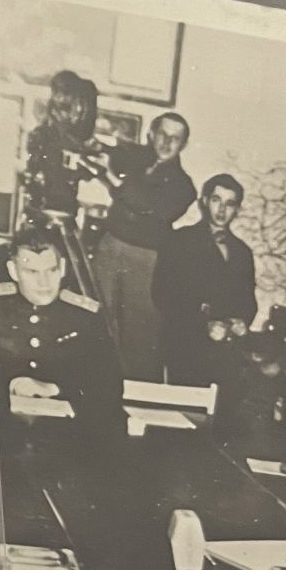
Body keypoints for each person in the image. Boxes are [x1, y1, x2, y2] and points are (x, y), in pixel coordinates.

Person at [0, 227, 125, 441]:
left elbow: (108, 382)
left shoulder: (85, 317)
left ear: (63, 268)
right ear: (13, 271)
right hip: (2, 433)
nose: (44, 282)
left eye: (51, 270)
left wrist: (54, 388)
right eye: (32, 272)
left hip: (63, 435)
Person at [91, 110, 196, 380]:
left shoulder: (184, 187)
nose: (167, 142)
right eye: (163, 134)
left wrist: (113, 178)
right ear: (151, 134)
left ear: (183, 144)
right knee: (96, 321)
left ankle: (138, 396)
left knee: (140, 336)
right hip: (109, 247)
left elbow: (150, 205)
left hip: (146, 260)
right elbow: (109, 151)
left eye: (175, 138)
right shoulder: (135, 157)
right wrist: (96, 148)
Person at [152, 172, 256, 389]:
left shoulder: (242, 252)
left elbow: (248, 301)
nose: (222, 210)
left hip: (226, 352)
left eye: (230, 204)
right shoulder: (180, 240)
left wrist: (242, 321)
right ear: (205, 201)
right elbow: (163, 295)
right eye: (217, 200)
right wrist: (203, 325)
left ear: (237, 210)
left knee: (226, 406)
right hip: (186, 345)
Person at [18, 70, 103, 221]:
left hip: (61, 202)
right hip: (45, 202)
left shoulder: (78, 135)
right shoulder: (44, 135)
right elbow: (32, 168)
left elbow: (89, 172)